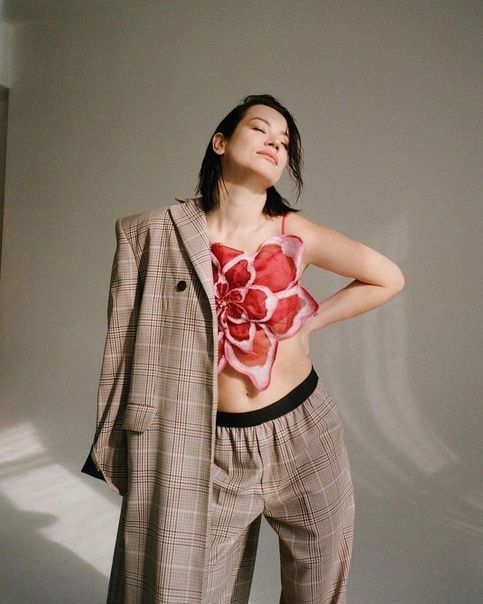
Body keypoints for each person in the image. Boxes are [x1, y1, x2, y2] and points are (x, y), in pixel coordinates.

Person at [83, 94, 404, 604]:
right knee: (185, 589)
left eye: (284, 142)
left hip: (305, 435)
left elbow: (387, 277)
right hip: (210, 448)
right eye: (260, 130)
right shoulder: (161, 234)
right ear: (221, 142)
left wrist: (309, 322)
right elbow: (128, 338)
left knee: (318, 592)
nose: (275, 143)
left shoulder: (293, 231)